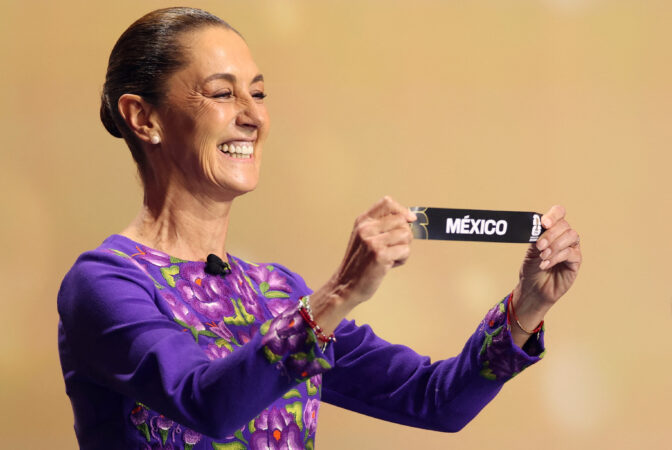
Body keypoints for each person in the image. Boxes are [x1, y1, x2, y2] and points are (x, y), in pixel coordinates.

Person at [57, 7, 582, 450]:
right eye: (222, 94)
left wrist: (527, 307)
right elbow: (207, 403)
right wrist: (339, 294)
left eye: (259, 94)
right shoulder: (104, 284)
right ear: (142, 118)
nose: (253, 116)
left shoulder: (276, 292)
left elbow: (434, 400)